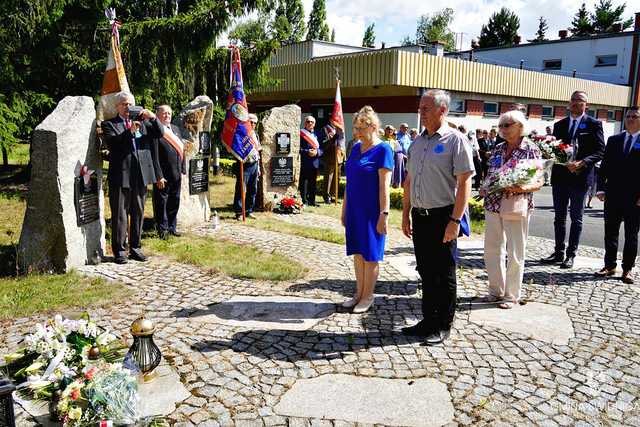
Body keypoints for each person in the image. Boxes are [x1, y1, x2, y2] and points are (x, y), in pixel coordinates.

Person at [401, 89, 474, 345]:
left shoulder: (456, 140)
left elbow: (465, 183)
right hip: (420, 217)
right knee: (425, 270)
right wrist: (405, 214)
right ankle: (427, 320)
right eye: (420, 107)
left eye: (426, 108)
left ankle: (443, 325)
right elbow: (409, 181)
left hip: (444, 217)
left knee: (444, 273)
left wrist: (455, 222)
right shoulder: (417, 142)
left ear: (442, 110)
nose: (421, 112)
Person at [479, 110, 543, 308]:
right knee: (491, 249)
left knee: (515, 251)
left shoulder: (530, 149)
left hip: (516, 204)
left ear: (520, 126)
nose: (503, 129)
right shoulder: (498, 148)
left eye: (508, 125)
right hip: (492, 203)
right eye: (501, 126)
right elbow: (491, 174)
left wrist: (521, 187)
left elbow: (539, 180)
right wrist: (485, 186)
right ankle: (495, 290)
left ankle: (511, 295)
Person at [541, 90, 604, 269]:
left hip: (580, 178)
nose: (576, 103)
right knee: (559, 218)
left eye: (580, 100)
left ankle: (571, 254)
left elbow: (600, 151)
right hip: (560, 178)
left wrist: (582, 162)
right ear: (569, 103)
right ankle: (558, 252)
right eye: (573, 100)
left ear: (587, 105)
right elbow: (554, 149)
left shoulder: (594, 124)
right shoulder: (560, 124)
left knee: (576, 218)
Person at [341, 106, 393, 313]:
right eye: (355, 128)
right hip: (354, 209)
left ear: (372, 126)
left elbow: (384, 187)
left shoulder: (384, 150)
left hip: (372, 211)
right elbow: (350, 182)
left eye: (360, 128)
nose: (356, 133)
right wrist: (344, 209)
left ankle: (368, 296)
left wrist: (384, 214)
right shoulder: (355, 148)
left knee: (371, 254)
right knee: (358, 253)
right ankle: (358, 293)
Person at [103, 91, 163, 264]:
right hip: (121, 174)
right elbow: (113, 145)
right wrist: (129, 131)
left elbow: (159, 134)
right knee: (120, 214)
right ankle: (120, 251)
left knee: (138, 212)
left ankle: (135, 248)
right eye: (124, 104)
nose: (128, 107)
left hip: (141, 174)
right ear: (117, 106)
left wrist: (152, 118)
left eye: (130, 104)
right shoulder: (110, 124)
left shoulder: (144, 123)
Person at [595, 107, 640, 284]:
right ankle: (609, 265)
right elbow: (604, 166)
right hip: (613, 195)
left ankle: (627, 269)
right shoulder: (614, 140)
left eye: (635, 116)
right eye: (628, 116)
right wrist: (600, 188)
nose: (630, 119)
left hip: (635, 199)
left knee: (631, 234)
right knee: (610, 232)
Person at [152, 105, 185, 239]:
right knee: (161, 203)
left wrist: (182, 168)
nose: (167, 116)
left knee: (174, 201)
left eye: (169, 113)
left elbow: (182, 150)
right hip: (163, 175)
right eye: (164, 113)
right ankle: (162, 229)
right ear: (157, 115)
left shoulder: (176, 129)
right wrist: (158, 176)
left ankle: (172, 227)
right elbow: (154, 155)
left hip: (176, 174)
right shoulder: (155, 131)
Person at [233, 114, 261, 220]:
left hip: (254, 164)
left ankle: (249, 210)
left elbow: (257, 151)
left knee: (252, 189)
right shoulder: (241, 135)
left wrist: (258, 168)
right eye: (251, 122)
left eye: (254, 123)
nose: (253, 124)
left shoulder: (255, 134)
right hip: (244, 165)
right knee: (241, 189)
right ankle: (239, 212)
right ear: (247, 122)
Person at [299, 116, 322, 206]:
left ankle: (312, 201)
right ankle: (304, 201)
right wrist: (307, 151)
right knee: (304, 182)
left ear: (314, 124)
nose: (310, 123)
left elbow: (322, 148)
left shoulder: (317, 134)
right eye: (308, 121)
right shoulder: (301, 134)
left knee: (313, 182)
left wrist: (317, 152)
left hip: (315, 162)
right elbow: (297, 148)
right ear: (305, 123)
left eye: (312, 122)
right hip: (304, 161)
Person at [321, 124, 345, 204]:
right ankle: (326, 197)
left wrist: (343, 155)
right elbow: (324, 144)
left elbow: (342, 143)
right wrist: (333, 139)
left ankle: (333, 195)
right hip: (330, 157)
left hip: (339, 157)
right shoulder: (325, 129)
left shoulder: (340, 129)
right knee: (329, 178)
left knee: (337, 178)